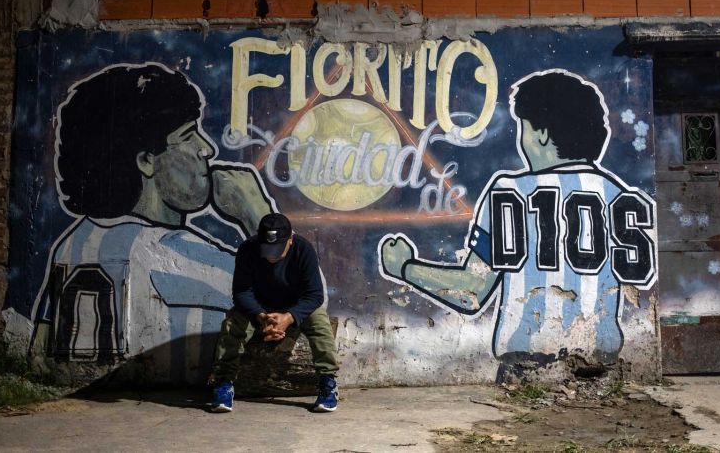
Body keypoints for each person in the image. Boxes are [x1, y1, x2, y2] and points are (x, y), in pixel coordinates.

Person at [379, 69, 656, 369]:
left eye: (523, 129)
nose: (522, 140)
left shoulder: (509, 193)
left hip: (525, 365)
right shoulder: (618, 195)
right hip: (600, 362)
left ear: (542, 134)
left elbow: (471, 291)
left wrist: (403, 267)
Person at [29, 63, 273, 381]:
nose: (207, 148)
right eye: (188, 135)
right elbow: (298, 299)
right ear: (146, 161)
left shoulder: (72, 242)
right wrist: (255, 214)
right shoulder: (177, 254)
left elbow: (39, 349)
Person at [210, 213, 340, 413]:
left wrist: (289, 317)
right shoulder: (247, 249)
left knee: (319, 320)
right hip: (260, 308)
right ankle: (223, 383)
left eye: (278, 248)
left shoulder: (303, 249)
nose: (272, 255)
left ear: (290, 239)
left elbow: (314, 295)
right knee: (232, 324)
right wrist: (261, 316)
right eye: (267, 248)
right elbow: (241, 293)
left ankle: (328, 382)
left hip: (295, 306)